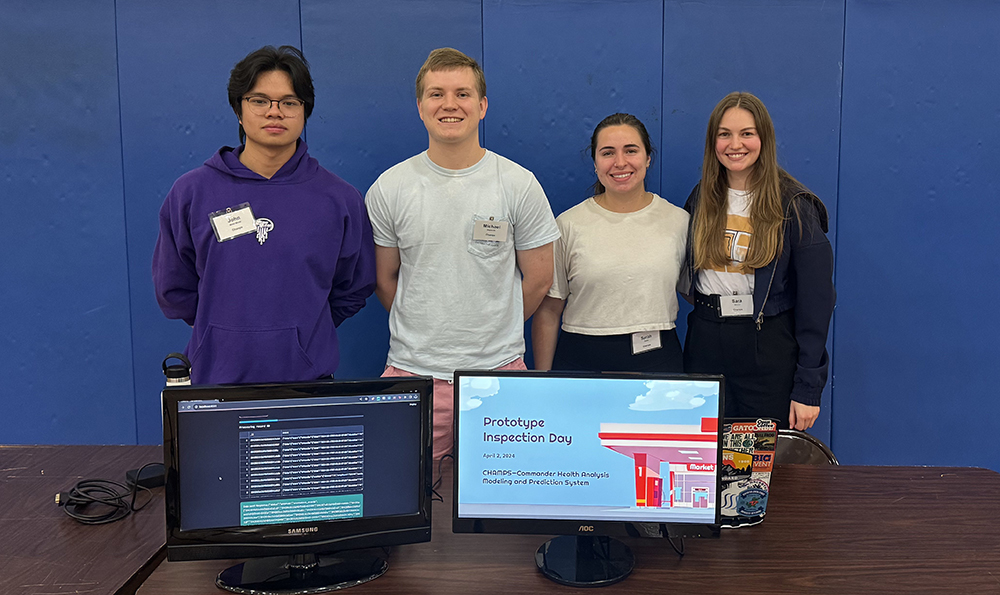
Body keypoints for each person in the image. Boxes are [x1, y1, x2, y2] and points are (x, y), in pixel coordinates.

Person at [365, 48, 560, 460]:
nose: (449, 104)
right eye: (436, 94)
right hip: (413, 372)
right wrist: (428, 328)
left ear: (483, 105)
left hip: (499, 374)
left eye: (463, 94)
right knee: (407, 502)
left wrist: (490, 329)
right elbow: (385, 279)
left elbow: (540, 277)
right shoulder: (390, 187)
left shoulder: (517, 184)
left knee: (503, 508)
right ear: (420, 107)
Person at [153, 45, 375, 385]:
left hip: (306, 387)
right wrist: (223, 333)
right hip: (215, 385)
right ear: (239, 110)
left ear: (304, 112)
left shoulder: (339, 199)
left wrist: (300, 336)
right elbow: (174, 287)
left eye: (289, 102)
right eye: (259, 101)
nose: (275, 112)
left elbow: (353, 287)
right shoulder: (191, 193)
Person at [680, 91, 835, 430]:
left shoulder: (794, 206)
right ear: (713, 142)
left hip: (766, 347)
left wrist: (808, 386)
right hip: (706, 340)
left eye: (747, 133)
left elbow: (816, 303)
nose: (735, 144)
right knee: (704, 459)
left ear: (764, 138)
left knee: (758, 469)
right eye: (725, 134)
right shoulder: (700, 198)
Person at [532, 113, 688, 372]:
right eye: (607, 153)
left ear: (648, 158)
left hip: (658, 363)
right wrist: (544, 381)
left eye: (631, 151)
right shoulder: (568, 224)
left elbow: (694, 293)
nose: (620, 162)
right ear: (595, 162)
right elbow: (549, 311)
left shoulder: (679, 221)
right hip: (581, 363)